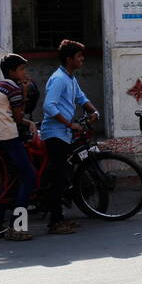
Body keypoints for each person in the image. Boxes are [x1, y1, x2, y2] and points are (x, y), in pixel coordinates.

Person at [39, 39, 100, 234]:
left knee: (63, 174)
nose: (82, 59)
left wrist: (93, 111)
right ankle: (55, 222)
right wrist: (70, 124)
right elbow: (49, 106)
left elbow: (80, 97)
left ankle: (59, 216)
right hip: (55, 133)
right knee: (59, 177)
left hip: (64, 133)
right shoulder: (59, 79)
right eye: (79, 56)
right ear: (68, 59)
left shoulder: (70, 78)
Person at [0, 54, 39, 240]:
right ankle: (17, 228)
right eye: (21, 69)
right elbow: (17, 117)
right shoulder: (14, 88)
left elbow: (9, 115)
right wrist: (24, 92)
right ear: (11, 72)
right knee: (30, 177)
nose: (24, 73)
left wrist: (26, 123)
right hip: (9, 137)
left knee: (9, 180)